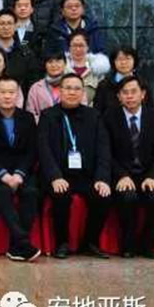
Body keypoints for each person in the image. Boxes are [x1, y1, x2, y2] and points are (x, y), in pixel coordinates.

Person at [37, 73, 112, 259]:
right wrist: (55, 177)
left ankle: (90, 242)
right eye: (68, 88)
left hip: (86, 175)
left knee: (102, 196)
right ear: (60, 91)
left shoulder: (94, 116)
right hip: (59, 174)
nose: (72, 92)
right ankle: (62, 243)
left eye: (77, 89)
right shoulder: (48, 116)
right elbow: (43, 150)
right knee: (61, 196)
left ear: (83, 92)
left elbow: (103, 149)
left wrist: (102, 178)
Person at [0, 76, 42, 262]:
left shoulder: (27, 118)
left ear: (18, 94)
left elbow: (32, 151)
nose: (7, 96)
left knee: (31, 192)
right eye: (3, 92)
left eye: (11, 92)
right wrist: (3, 174)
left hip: (22, 172)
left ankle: (16, 246)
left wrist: (19, 174)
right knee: (3, 192)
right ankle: (23, 242)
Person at [103, 76, 154, 258]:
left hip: (148, 174)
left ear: (143, 94)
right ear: (119, 96)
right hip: (122, 174)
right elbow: (106, 153)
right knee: (127, 197)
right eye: (125, 93)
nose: (130, 96)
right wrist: (121, 175)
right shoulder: (109, 117)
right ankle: (128, 243)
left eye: (134, 92)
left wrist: (153, 176)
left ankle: (147, 244)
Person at [0, 8, 42, 91]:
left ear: (15, 26)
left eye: (9, 23)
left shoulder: (26, 53)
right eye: (2, 24)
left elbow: (33, 81)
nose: (6, 27)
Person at [93, 46, 154, 116]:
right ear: (113, 62)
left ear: (134, 60)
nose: (123, 62)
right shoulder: (104, 85)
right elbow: (98, 111)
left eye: (128, 58)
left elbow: (150, 110)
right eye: (119, 59)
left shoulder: (143, 83)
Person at [65, 30, 110, 105]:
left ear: (87, 47)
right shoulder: (62, 67)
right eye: (74, 45)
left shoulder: (98, 68)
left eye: (81, 45)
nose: (78, 49)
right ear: (69, 47)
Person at [26, 51, 68, 122]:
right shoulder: (36, 88)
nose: (54, 65)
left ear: (65, 64)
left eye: (58, 61)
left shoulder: (74, 84)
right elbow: (30, 113)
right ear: (45, 65)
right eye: (50, 62)